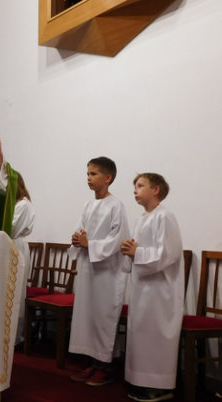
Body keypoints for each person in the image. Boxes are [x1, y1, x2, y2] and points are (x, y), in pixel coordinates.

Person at [68, 157, 130, 386]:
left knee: (104, 317)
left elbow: (119, 240)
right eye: (87, 174)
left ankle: (105, 367)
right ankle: (93, 363)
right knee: (88, 317)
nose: (88, 178)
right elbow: (81, 231)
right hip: (89, 269)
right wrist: (77, 239)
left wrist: (90, 244)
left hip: (107, 273)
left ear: (108, 178)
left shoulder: (116, 206)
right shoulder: (88, 205)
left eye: (93, 174)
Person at [120, 173, 183, 402]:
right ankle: (140, 380)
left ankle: (159, 386)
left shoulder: (164, 217)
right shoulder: (142, 219)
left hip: (160, 291)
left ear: (155, 189)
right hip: (143, 289)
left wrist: (137, 252)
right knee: (141, 334)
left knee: (155, 336)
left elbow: (168, 254)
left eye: (140, 186)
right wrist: (129, 249)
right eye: (135, 186)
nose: (135, 190)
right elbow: (139, 251)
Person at [12, 174, 36, 344]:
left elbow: (11, 228)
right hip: (6, 245)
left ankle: (15, 337)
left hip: (15, 246)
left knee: (15, 292)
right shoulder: (14, 204)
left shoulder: (23, 204)